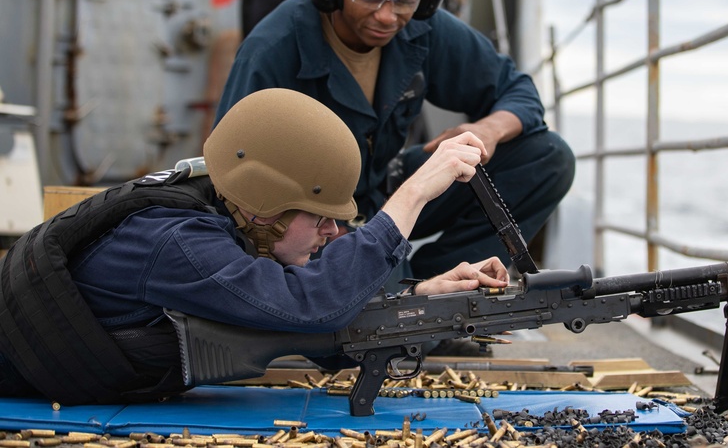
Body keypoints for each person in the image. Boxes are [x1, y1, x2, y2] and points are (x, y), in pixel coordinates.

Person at [0, 88, 507, 405]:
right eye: (321, 218)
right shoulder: (179, 242)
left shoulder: (219, 214)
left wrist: (423, 299)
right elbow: (312, 306)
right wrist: (414, 193)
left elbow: (299, 308)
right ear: (265, 203)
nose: (333, 233)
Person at [215, 0, 575, 292]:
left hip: (382, 191)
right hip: (311, 218)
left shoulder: (423, 27)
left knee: (546, 158)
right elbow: (232, 172)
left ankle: (446, 285)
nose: (387, 16)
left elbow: (518, 90)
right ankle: (407, 293)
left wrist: (486, 129)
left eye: (404, 0)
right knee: (382, 324)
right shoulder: (274, 48)